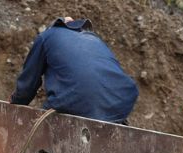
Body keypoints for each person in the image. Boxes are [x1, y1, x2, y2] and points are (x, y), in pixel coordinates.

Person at [10, 17, 139, 124]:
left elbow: (28, 84)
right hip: (121, 102)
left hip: (76, 99)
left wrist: (13, 106)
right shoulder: (95, 40)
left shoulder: (47, 36)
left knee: (40, 135)